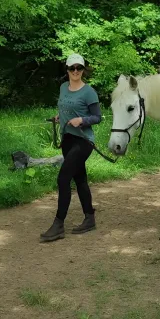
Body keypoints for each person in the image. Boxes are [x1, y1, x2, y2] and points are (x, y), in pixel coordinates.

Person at [40, 53, 102, 242]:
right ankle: (89, 218)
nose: (75, 71)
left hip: (83, 141)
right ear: (66, 70)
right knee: (80, 179)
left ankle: (58, 224)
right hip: (67, 139)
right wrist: (61, 116)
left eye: (79, 68)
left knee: (63, 179)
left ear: (83, 69)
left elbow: (97, 117)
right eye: (72, 68)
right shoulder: (63, 88)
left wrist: (82, 120)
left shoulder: (89, 92)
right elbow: (65, 106)